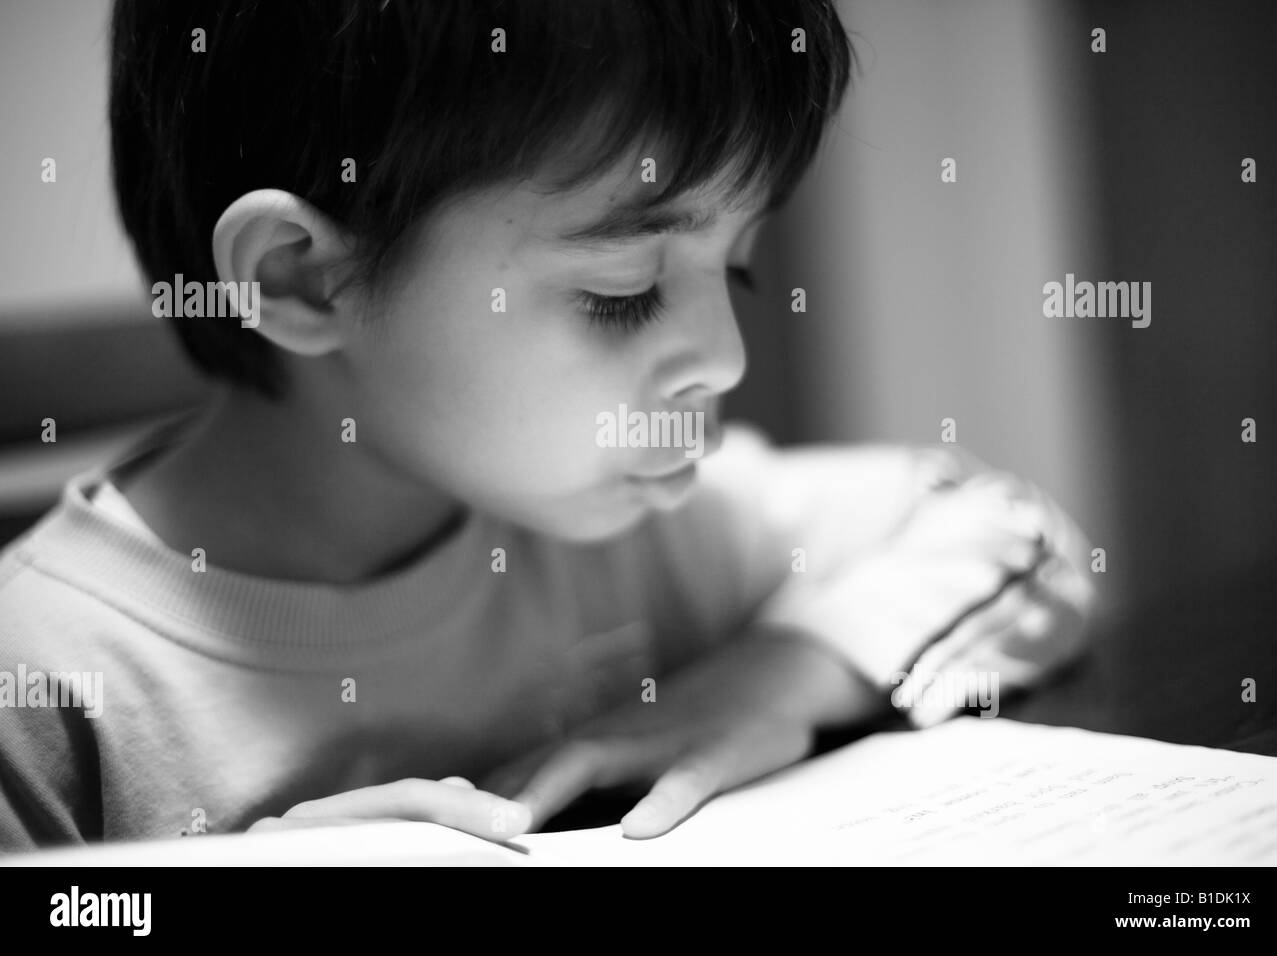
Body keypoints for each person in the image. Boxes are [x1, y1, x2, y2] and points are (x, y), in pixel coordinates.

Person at [0, 0, 1094, 852]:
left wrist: (770, 678)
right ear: (302, 278)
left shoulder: (633, 529)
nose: (725, 358)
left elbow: (1009, 528)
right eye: (622, 288)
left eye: (739, 269)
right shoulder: (43, 686)